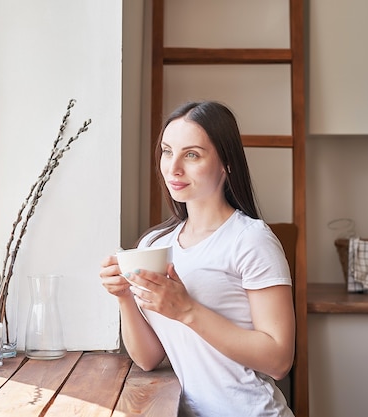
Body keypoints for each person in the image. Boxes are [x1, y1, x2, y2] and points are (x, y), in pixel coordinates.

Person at [99, 101, 295, 417]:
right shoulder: (155, 244)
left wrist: (187, 309)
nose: (173, 167)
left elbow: (279, 360)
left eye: (191, 155)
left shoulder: (251, 240)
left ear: (226, 163)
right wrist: (123, 296)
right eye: (166, 151)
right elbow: (148, 358)